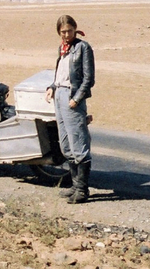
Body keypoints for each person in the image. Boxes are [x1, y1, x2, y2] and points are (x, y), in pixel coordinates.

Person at [45, 15, 95, 204]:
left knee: (78, 143)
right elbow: (60, 74)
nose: (66, 35)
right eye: (63, 32)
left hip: (72, 98)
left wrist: (77, 98)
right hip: (59, 95)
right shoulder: (63, 49)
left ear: (75, 29)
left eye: (69, 31)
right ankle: (74, 185)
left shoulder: (83, 48)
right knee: (66, 144)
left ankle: (82, 190)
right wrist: (52, 87)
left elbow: (88, 78)